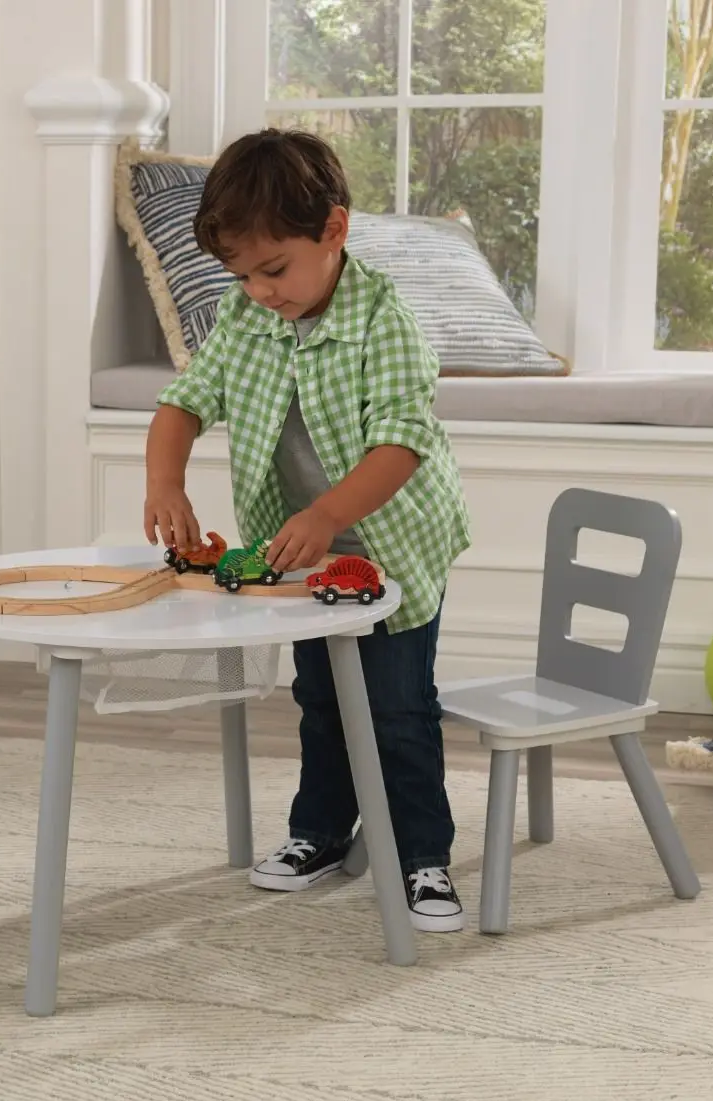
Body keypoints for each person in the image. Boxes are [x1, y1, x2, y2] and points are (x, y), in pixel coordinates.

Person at [143, 128, 472, 932]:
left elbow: (401, 443)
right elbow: (184, 402)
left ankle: (421, 856)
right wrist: (165, 482)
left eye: (274, 269)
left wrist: (328, 513)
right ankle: (320, 832)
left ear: (333, 230)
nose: (259, 291)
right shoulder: (244, 316)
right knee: (320, 699)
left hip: (394, 550)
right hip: (302, 560)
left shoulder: (385, 322)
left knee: (398, 709)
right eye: (242, 275)